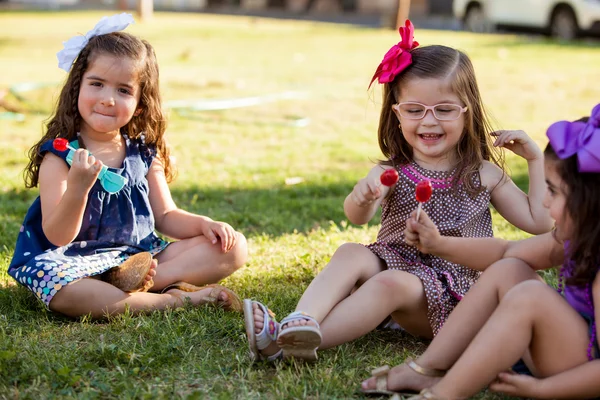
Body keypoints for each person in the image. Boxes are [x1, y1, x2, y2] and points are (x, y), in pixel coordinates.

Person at [242, 20, 553, 362]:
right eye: (415, 110)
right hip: (395, 267)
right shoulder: (392, 172)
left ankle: (284, 348)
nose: (429, 122)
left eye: (445, 110)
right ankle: (300, 321)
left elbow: (539, 222)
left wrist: (535, 160)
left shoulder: (482, 174)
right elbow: (357, 217)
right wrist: (362, 198)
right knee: (351, 251)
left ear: (468, 112)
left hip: (452, 295)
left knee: (390, 283)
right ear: (397, 113)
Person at [8, 13, 247, 319]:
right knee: (64, 290)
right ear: (77, 87)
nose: (108, 99)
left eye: (123, 90)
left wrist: (205, 225)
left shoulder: (143, 153)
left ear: (140, 103)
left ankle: (131, 286)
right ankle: (171, 299)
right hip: (71, 262)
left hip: (138, 258)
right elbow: (57, 235)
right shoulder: (60, 157)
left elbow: (166, 216)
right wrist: (79, 187)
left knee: (233, 247)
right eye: (97, 84)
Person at [360, 104, 600, 399]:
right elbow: (506, 252)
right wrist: (439, 245)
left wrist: (544, 389)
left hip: (578, 374)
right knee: (508, 268)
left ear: (591, 202)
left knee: (530, 296)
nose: (546, 203)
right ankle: (427, 369)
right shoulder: (575, 238)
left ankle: (444, 394)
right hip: (560, 352)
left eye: (554, 191)